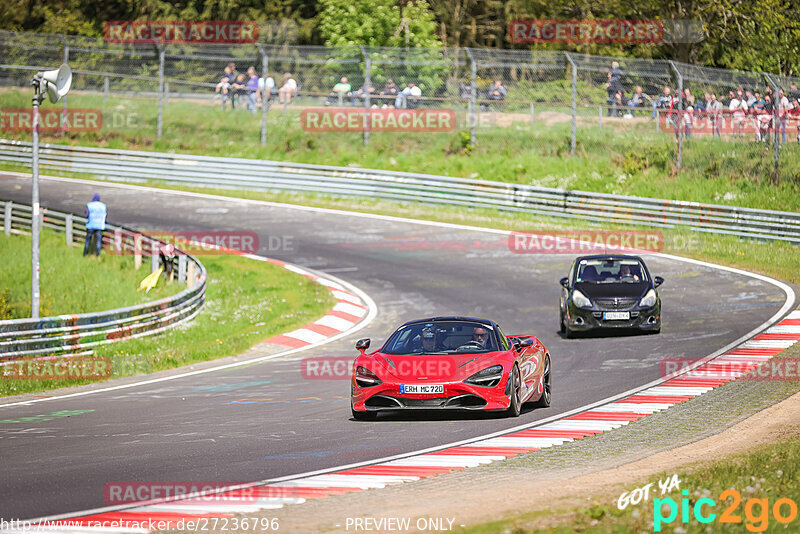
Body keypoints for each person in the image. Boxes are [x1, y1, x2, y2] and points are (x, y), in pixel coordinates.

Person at [84, 193, 107, 257]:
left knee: (88, 241)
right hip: (99, 225)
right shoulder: (103, 206)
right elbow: (105, 215)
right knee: (98, 242)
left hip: (91, 225)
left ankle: (85, 254)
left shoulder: (90, 205)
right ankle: (98, 255)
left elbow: (87, 214)